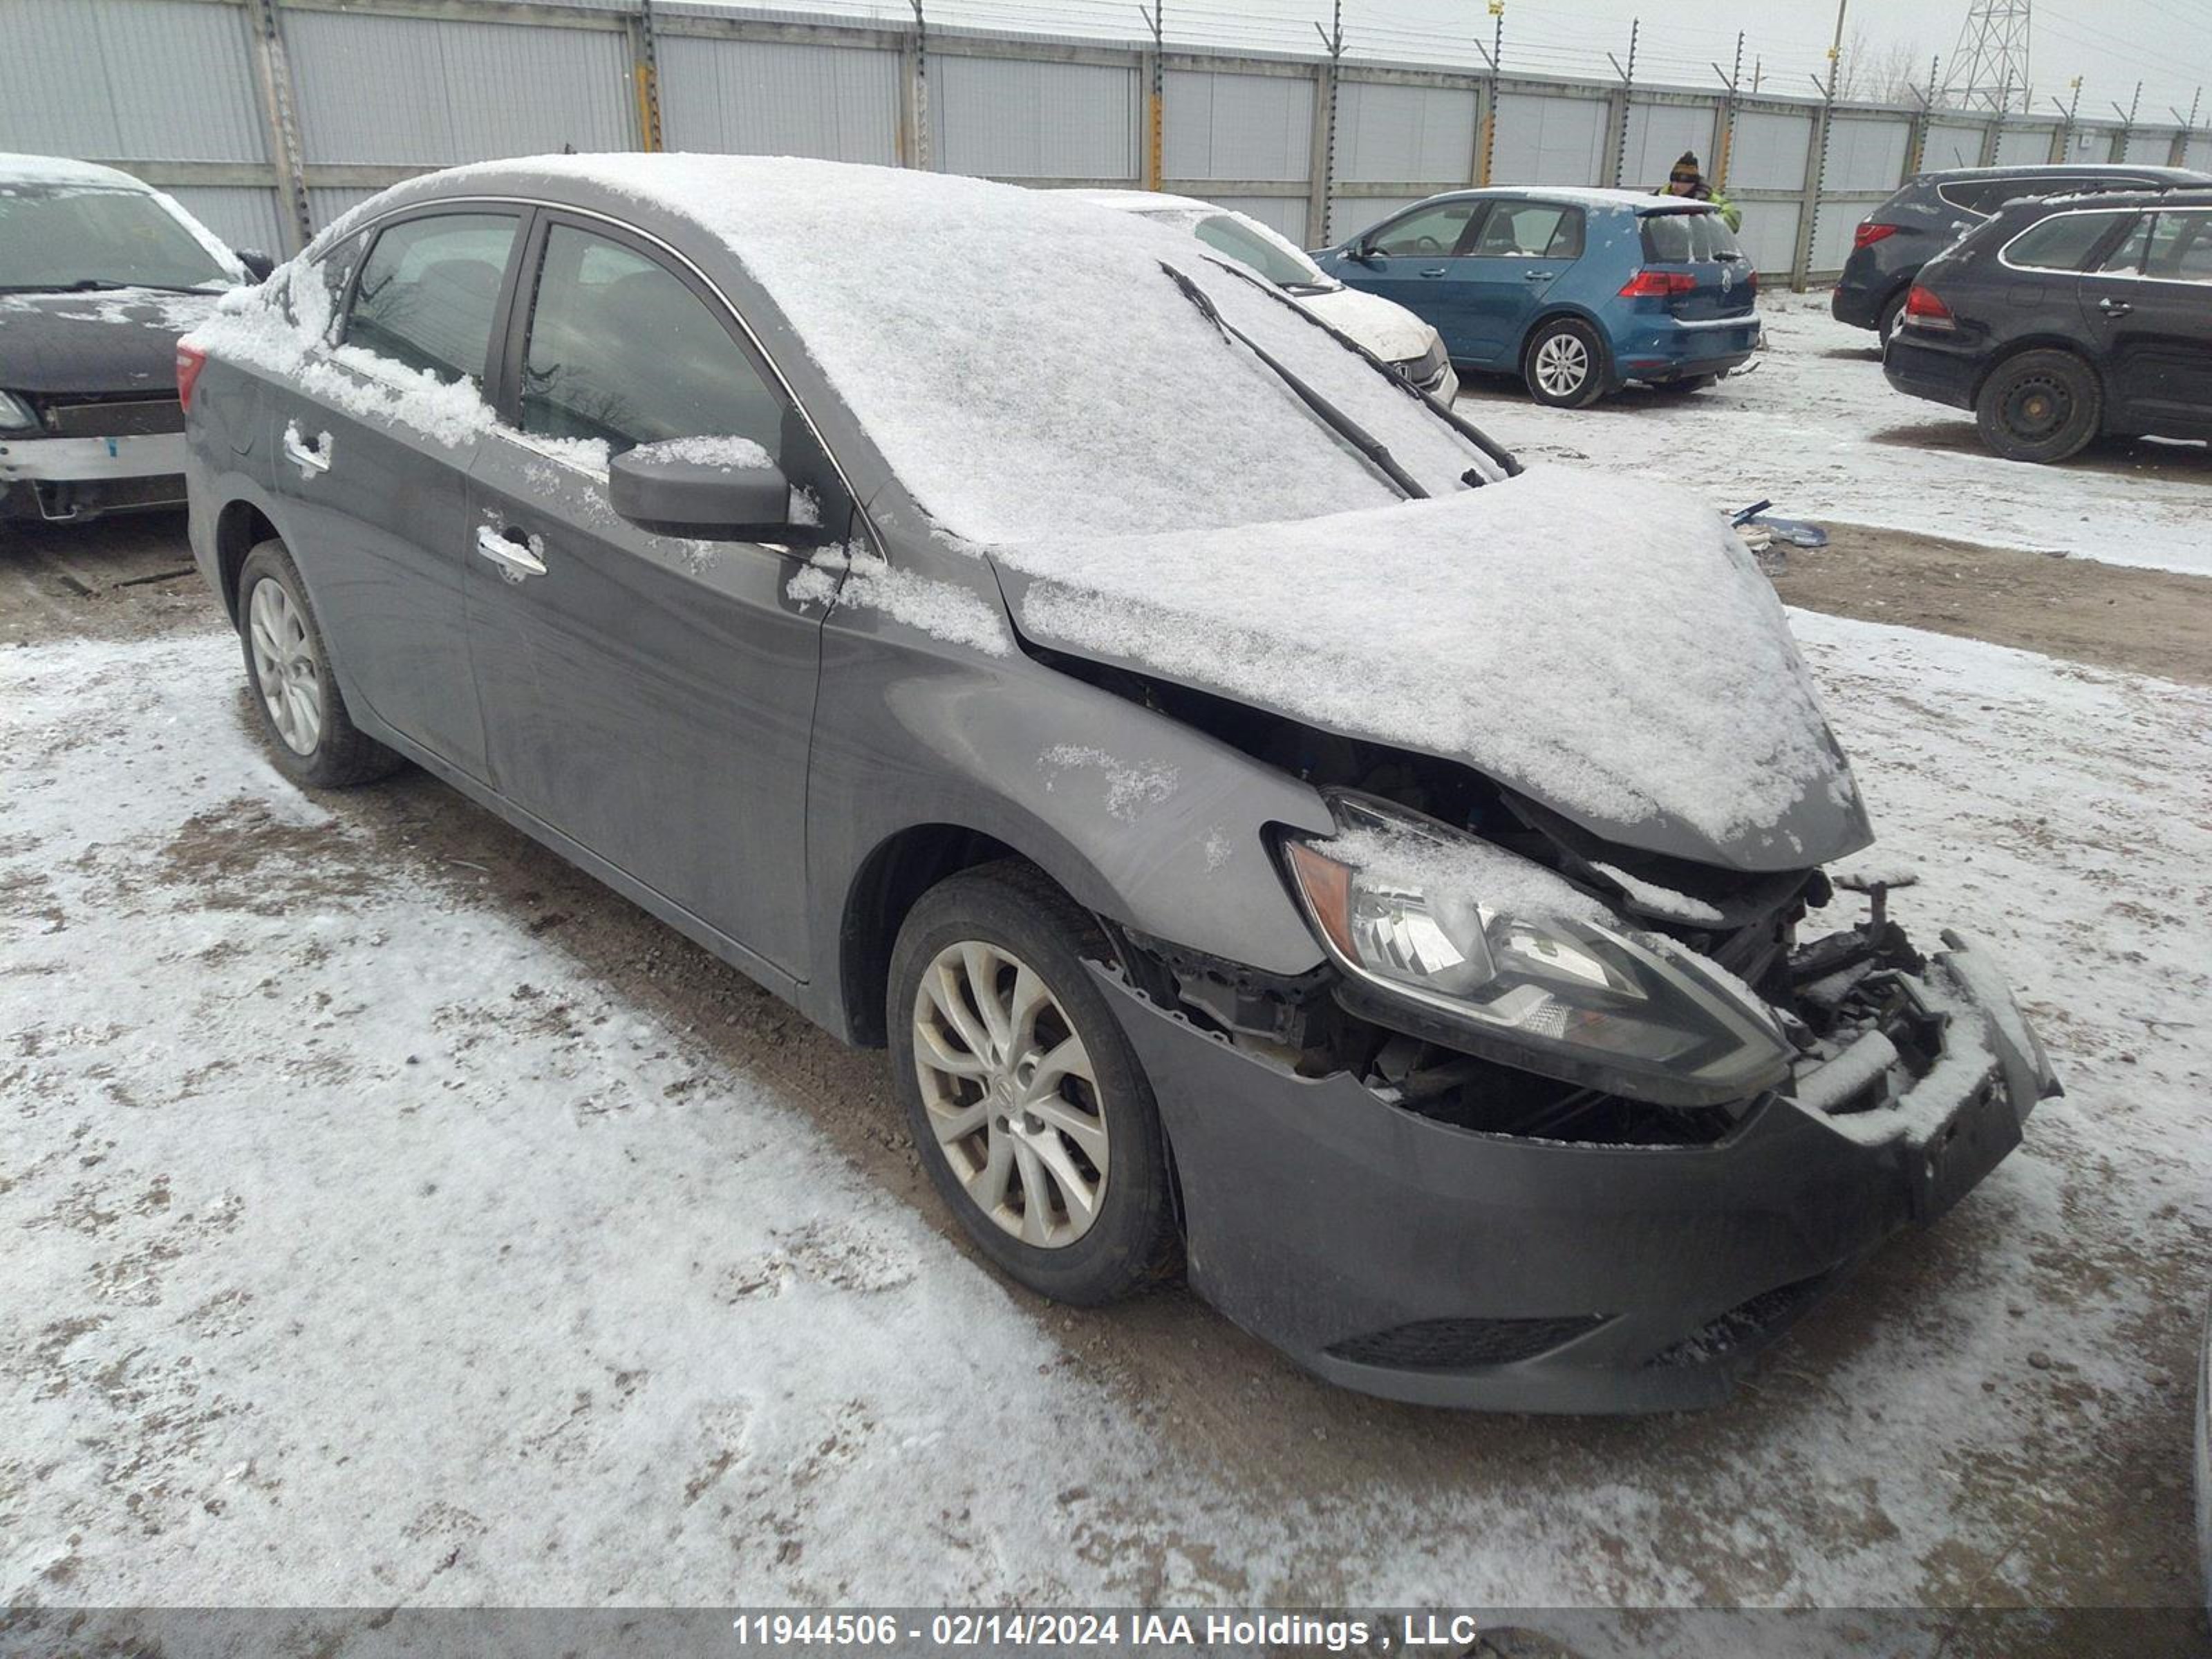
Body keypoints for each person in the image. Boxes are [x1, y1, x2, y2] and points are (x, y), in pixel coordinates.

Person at [1658, 150, 1741, 232]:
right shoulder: (1660, 198)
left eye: (1684, 182)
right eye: (1674, 181)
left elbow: (1732, 218)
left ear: (1694, 183)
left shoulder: (1711, 200)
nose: (1676, 186)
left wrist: (1704, 222)